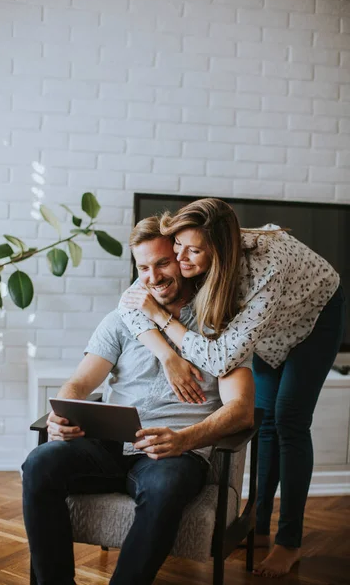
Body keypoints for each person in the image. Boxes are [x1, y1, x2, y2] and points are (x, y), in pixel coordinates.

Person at [119, 198, 346, 579]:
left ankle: (289, 542)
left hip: (313, 318)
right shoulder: (189, 253)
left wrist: (162, 319)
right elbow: (131, 302)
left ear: (220, 248)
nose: (181, 257)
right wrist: (168, 356)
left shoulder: (265, 270)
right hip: (265, 329)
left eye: (193, 250)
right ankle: (256, 525)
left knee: (289, 419)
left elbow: (222, 359)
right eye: (178, 246)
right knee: (265, 420)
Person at [22, 216, 254, 585]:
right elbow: (80, 382)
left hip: (176, 452)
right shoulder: (122, 318)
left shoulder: (221, 326)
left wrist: (185, 440)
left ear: (184, 259)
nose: (153, 277)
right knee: (39, 462)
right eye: (143, 267)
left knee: (164, 487)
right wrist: (61, 413)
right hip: (110, 445)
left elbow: (241, 411)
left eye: (162, 263)